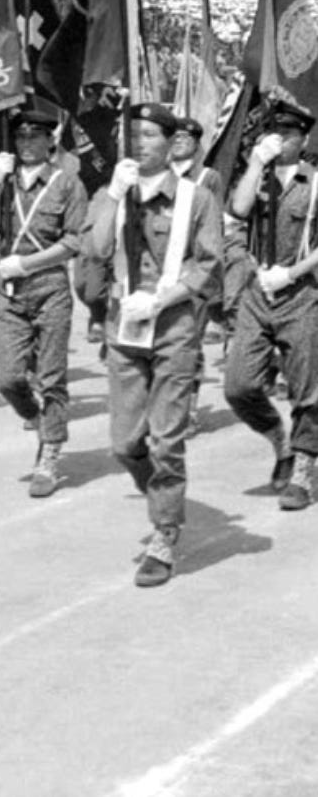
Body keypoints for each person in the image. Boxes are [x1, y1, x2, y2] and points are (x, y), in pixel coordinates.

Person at [83, 103, 222, 587]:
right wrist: (112, 197)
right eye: (133, 135)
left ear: (168, 141)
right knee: (124, 443)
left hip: (173, 327)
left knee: (166, 439)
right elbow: (95, 251)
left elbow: (207, 265)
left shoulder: (194, 198)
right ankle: (162, 493)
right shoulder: (113, 193)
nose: (139, 144)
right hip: (125, 329)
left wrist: (166, 297)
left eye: (148, 135)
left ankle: (164, 532)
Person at [0, 108, 87, 497]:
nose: (27, 144)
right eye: (21, 137)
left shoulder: (66, 184)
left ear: (49, 141)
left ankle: (50, 455)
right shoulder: (6, 182)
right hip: (11, 292)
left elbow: (74, 242)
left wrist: (26, 263)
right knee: (7, 378)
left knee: (52, 375)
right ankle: (40, 420)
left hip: (49, 287)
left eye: (35, 137)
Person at [222, 100, 318, 509]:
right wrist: (256, 163)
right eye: (274, 134)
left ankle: (304, 467)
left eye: (290, 135)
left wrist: (293, 274)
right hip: (259, 293)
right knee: (239, 385)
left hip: (301, 293)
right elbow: (239, 211)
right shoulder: (257, 177)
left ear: (304, 138)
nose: (282, 141)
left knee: (307, 389)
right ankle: (279, 438)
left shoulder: (314, 182)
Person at [169, 113, 225, 432]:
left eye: (185, 139)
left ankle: (188, 408)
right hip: (161, 273)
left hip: (193, 273)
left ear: (195, 144)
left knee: (188, 342)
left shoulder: (207, 177)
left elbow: (213, 226)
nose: (179, 142)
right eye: (174, 137)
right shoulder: (158, 175)